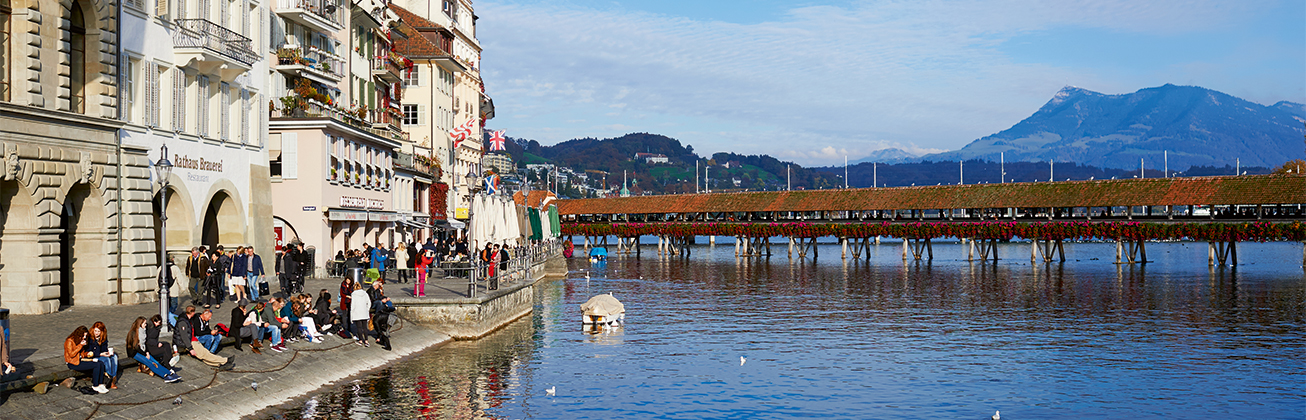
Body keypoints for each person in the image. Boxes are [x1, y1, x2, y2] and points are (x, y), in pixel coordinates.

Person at [174, 306, 235, 371]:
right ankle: (225, 361)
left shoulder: (188, 320)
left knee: (205, 354)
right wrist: (190, 348)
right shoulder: (183, 322)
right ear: (192, 312)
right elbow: (184, 336)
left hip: (193, 339)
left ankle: (219, 364)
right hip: (189, 341)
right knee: (204, 354)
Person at [126, 317, 182, 383]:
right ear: (140, 324)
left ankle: (169, 373)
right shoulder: (134, 333)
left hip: (142, 351)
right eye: (144, 323)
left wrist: (146, 352)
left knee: (155, 362)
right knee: (150, 363)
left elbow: (144, 344)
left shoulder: (143, 331)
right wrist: (145, 354)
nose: (146, 325)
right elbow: (136, 347)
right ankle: (165, 376)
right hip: (135, 353)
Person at [64, 326, 108, 394]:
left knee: (100, 363)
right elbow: (71, 354)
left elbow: (82, 354)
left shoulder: (80, 340)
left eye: (85, 336)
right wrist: (80, 345)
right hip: (73, 363)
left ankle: (100, 383)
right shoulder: (69, 341)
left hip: (81, 360)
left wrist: (88, 354)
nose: (84, 337)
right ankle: (95, 385)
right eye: (83, 336)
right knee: (96, 365)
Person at [86, 322, 121, 389]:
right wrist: (100, 354)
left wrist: (108, 352)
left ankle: (113, 377)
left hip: (101, 354)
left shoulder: (103, 338)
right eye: (95, 331)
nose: (96, 333)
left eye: (98, 331)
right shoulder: (90, 338)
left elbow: (104, 349)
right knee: (106, 360)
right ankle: (110, 377)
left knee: (114, 357)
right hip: (94, 356)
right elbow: (89, 351)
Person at [370, 283, 395, 351]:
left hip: (385, 318)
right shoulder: (371, 290)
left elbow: (377, 327)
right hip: (388, 317)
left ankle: (388, 346)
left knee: (383, 332)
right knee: (384, 330)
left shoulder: (375, 320)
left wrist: (379, 332)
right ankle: (382, 341)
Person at [349, 282, 372, 347]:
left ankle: (361, 340)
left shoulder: (353, 294)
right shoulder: (365, 293)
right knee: (365, 327)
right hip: (364, 312)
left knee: (359, 327)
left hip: (357, 313)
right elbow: (369, 302)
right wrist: (367, 309)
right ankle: (366, 341)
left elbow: (353, 306)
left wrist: (351, 316)